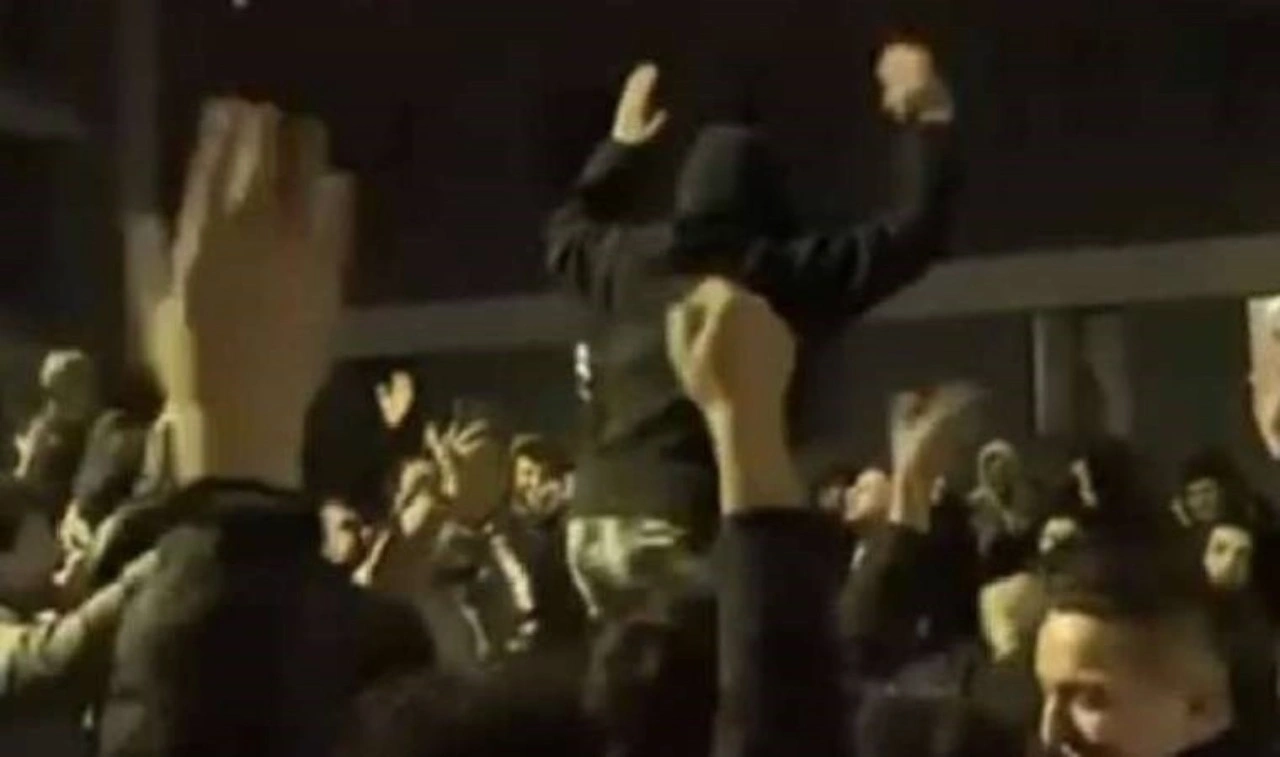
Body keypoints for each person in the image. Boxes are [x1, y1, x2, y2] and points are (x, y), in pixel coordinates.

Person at [547, 41, 960, 620]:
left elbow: (566, 233)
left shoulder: (629, 260)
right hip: (687, 513)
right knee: (726, 657)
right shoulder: (777, 276)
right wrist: (925, 117)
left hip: (594, 515)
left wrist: (620, 152)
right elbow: (915, 232)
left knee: (628, 663)